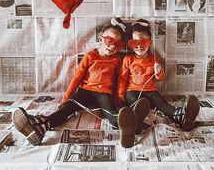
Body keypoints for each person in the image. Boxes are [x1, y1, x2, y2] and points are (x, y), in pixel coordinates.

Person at [13, 18, 147, 148]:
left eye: (117, 44)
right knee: (67, 108)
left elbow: (120, 79)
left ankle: (131, 126)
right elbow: (76, 78)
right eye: (109, 40)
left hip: (104, 94)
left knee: (111, 113)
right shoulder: (90, 56)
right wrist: (66, 98)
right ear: (101, 38)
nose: (112, 46)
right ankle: (42, 126)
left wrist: (118, 99)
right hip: (85, 91)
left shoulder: (117, 59)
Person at [118, 19, 200, 136]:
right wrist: (120, 95)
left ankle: (180, 116)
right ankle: (136, 120)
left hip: (151, 90)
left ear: (150, 43)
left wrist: (158, 71)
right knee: (136, 101)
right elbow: (122, 79)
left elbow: (159, 79)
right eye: (135, 43)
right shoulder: (128, 59)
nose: (139, 46)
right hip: (132, 91)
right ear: (130, 44)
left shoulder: (153, 58)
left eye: (144, 42)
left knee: (161, 102)